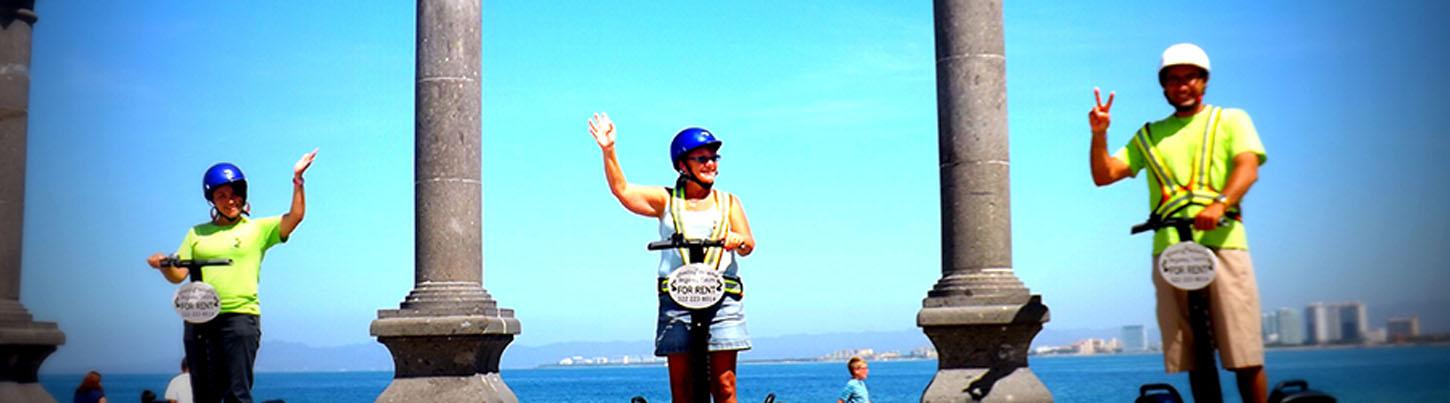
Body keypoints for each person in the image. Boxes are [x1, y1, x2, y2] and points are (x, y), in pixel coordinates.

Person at [1088, 43, 1268, 402]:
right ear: (1163, 86)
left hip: (1224, 243)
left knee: (1243, 353)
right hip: (1171, 252)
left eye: (1190, 78)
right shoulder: (1149, 134)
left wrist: (1220, 204)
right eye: (1173, 80)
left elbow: (1247, 168)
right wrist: (1099, 133)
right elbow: (1104, 174)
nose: (1182, 85)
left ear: (1204, 81)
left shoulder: (1231, 120)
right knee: (1193, 355)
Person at [588, 113, 756, 403]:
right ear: (682, 165)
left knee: (725, 386)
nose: (711, 164)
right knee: (682, 389)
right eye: (702, 159)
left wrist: (737, 240)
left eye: (714, 158)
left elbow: (748, 243)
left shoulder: (729, 202)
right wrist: (609, 149)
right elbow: (623, 191)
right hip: (677, 298)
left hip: (722, 298)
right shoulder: (666, 200)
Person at [146, 149, 317, 403]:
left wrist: (298, 179)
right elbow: (178, 274)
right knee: (204, 393)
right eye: (222, 196)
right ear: (212, 201)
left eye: (235, 193)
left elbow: (295, 217)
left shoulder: (257, 229)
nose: (230, 201)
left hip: (240, 317)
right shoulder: (196, 233)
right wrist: (163, 264)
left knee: (237, 393)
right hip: (199, 318)